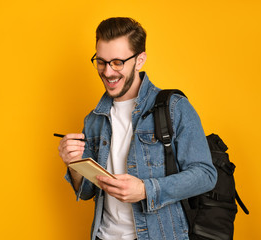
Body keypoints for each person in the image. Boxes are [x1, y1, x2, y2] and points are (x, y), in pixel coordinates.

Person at [57, 17, 217, 240]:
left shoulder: (174, 107)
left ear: (140, 60)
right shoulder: (93, 120)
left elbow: (206, 175)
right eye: (101, 61)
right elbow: (86, 193)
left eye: (117, 62)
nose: (108, 72)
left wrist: (145, 190)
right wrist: (73, 164)